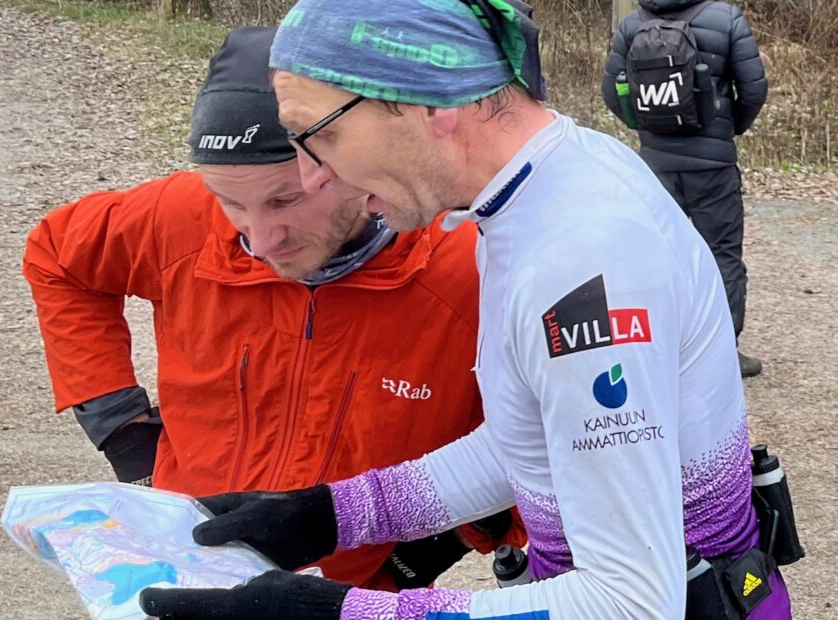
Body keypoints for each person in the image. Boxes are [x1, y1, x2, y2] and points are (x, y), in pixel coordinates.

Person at [139, 2, 792, 619]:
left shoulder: (579, 260)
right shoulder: (544, 188)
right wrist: (331, 514)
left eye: (324, 136)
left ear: (424, 101)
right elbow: (538, 441)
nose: (314, 177)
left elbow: (633, 602)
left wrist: (345, 612)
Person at [23, 26, 522, 593]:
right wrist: (121, 430)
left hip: (349, 595)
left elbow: (549, 438)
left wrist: (423, 559)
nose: (259, 240)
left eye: (286, 200)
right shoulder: (179, 217)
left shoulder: (475, 266)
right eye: (229, 201)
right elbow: (57, 254)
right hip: (183, 571)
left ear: (359, 163)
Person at [602, 0, 768, 378]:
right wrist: (728, 128)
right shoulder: (726, 18)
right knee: (721, 254)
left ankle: (661, 349)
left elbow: (612, 92)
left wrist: (646, 127)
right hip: (713, 168)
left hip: (655, 166)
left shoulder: (633, 23)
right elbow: (754, 89)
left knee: (660, 256)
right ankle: (722, 354)